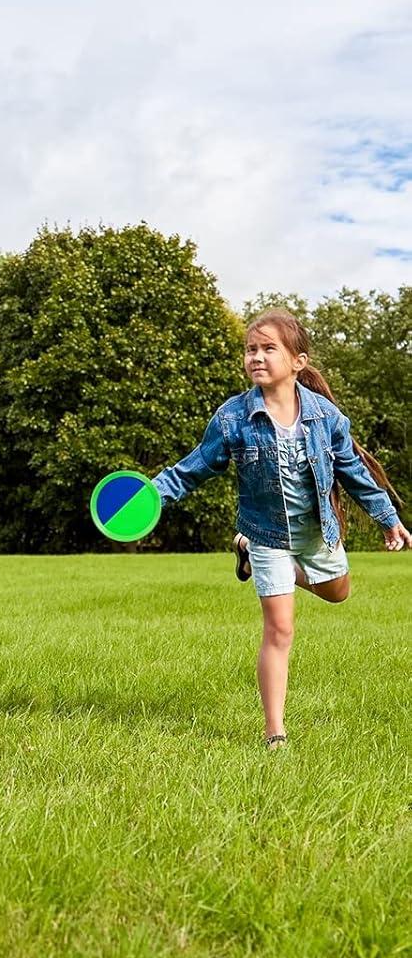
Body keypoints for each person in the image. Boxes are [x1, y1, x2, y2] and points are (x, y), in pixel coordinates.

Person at [153, 308, 410, 747]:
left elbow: (353, 471)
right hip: (266, 534)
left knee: (338, 592)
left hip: (317, 533)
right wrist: (150, 497)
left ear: (298, 361)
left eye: (269, 348)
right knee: (280, 629)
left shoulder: (326, 417)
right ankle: (275, 733)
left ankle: (253, 558)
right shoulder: (233, 418)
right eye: (251, 349)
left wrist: (389, 520)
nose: (257, 356)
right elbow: (193, 468)